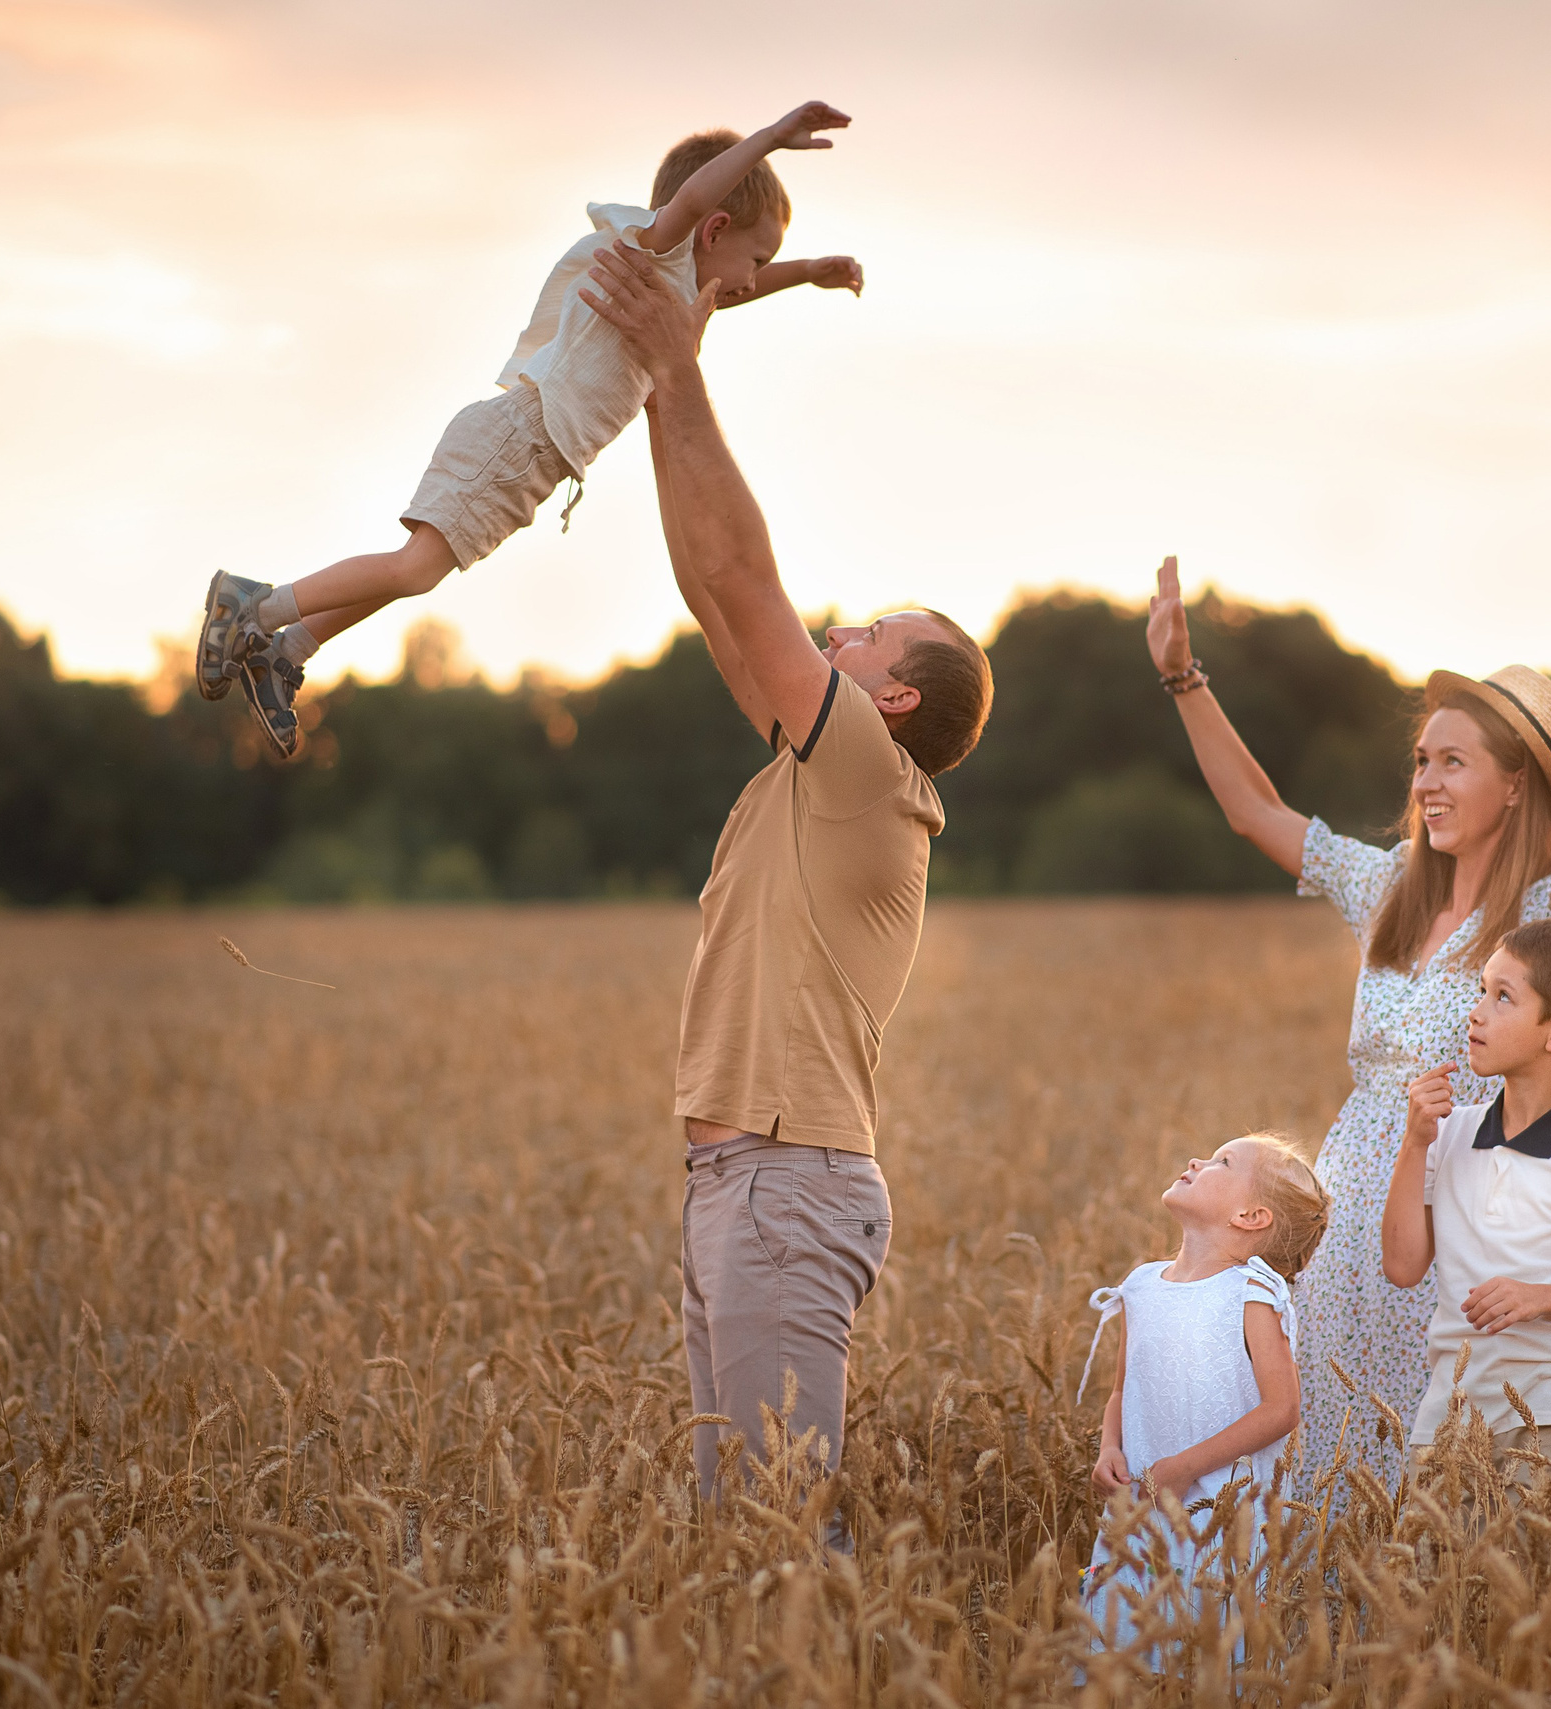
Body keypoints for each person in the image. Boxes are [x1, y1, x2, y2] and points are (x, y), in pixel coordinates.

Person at [577, 225, 994, 1524]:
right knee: (736, 1535)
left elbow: (753, 583)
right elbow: (715, 585)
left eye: (873, 631)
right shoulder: (812, 770)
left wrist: (678, 364)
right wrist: (659, 382)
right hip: (736, 1183)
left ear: (898, 694)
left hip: (783, 1180)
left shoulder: (869, 772)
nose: (843, 625)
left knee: (770, 1535)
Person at [1142, 554, 1551, 1495]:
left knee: (1419, 1451)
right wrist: (1182, 676)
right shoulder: (1390, 885)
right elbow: (1255, 812)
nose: (1428, 781)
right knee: (1312, 1431)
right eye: (1421, 760)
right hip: (1341, 1197)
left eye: (1454, 761)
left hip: (1454, 1202)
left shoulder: (1541, 913)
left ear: (1518, 783)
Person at [190, 102, 869, 756]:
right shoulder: (656, 251)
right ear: (715, 232)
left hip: (531, 460)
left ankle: (287, 650)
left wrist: (807, 274)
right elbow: (692, 203)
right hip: (516, 441)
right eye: (758, 259)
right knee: (416, 569)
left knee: (422, 569)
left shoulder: (678, 293)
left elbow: (736, 281)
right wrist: (773, 136)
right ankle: (254, 607)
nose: (753, 280)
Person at [1381, 917, 1551, 1495]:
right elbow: (1403, 1265)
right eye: (1482, 990)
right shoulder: (1451, 1133)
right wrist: (1414, 1144)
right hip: (1449, 1416)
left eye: (1503, 997)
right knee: (1433, 1582)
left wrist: (1540, 1299)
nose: (1477, 1011)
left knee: (1540, 1584)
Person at [1079, 1134, 1330, 1660]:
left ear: (1250, 1216)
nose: (1197, 1160)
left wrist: (1184, 1467)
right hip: (1141, 1506)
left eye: (1223, 1162)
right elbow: (1123, 1390)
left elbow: (1281, 1408)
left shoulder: (1252, 1292)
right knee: (1123, 1660)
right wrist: (1108, 1449)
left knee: (1211, 1662)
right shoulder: (1142, 1286)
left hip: (1218, 1513)